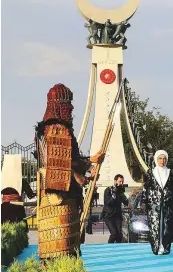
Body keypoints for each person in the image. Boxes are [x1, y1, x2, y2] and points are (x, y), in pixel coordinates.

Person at [34, 83, 103, 260]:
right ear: (58, 104)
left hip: (57, 194)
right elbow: (59, 162)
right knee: (61, 245)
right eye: (67, 104)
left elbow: (70, 160)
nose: (71, 108)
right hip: (60, 194)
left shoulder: (47, 129)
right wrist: (85, 170)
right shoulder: (57, 129)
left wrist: (90, 164)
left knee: (66, 244)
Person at [142, 150, 173, 255]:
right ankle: (156, 247)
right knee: (155, 227)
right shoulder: (150, 173)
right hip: (154, 206)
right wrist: (143, 202)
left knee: (167, 227)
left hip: (168, 205)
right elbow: (145, 189)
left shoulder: (170, 172)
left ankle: (165, 247)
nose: (162, 161)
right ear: (156, 159)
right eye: (160, 158)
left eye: (164, 158)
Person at [101, 174, 128, 243]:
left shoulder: (120, 191)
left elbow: (126, 202)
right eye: (119, 181)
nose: (121, 183)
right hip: (108, 215)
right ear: (115, 181)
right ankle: (109, 247)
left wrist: (123, 196)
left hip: (117, 216)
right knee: (114, 234)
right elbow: (108, 203)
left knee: (119, 235)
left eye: (122, 182)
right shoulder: (108, 190)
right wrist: (114, 194)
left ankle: (117, 249)